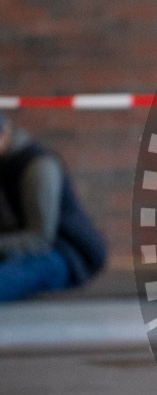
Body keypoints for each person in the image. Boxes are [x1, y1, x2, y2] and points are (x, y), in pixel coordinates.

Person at [0, 112, 107, 301]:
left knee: (14, 274)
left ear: (5, 133)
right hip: (18, 248)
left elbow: (40, 239)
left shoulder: (38, 166)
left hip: (64, 252)